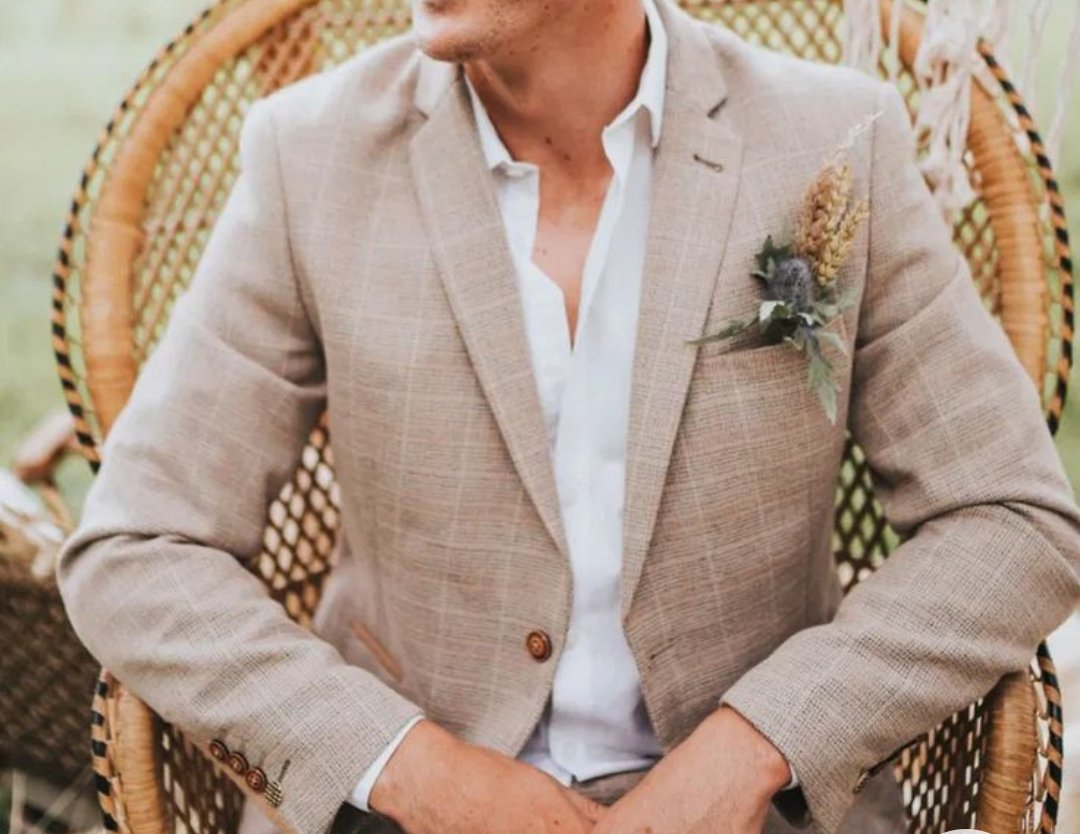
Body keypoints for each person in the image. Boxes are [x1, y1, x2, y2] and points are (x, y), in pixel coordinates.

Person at [56, 0, 1080, 832]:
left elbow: (1014, 520)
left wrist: (760, 742)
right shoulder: (307, 156)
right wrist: (407, 766)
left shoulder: (834, 143)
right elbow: (135, 548)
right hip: (393, 810)